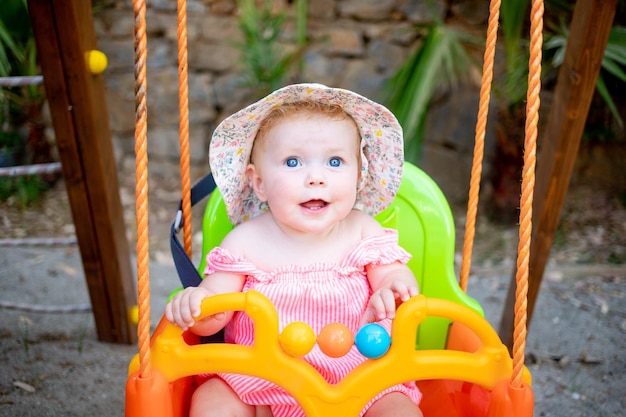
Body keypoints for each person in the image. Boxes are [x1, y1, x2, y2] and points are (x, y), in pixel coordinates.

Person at [165, 83, 423, 417]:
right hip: (261, 380)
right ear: (258, 182)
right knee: (213, 400)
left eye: (334, 161)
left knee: (400, 412)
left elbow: (393, 274)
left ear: (359, 175)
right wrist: (197, 307)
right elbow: (214, 312)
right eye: (292, 162)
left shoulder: (363, 231)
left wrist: (395, 288)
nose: (316, 177)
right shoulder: (245, 242)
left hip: (361, 381)